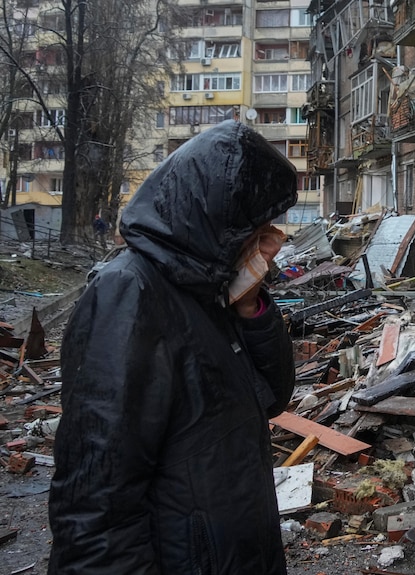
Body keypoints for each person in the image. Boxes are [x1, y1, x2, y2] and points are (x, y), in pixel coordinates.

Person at [48, 120, 298, 574]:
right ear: (218, 222)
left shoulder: (210, 288)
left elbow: (273, 397)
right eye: (258, 232)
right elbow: (96, 503)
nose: (269, 248)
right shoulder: (129, 295)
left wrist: (252, 309)